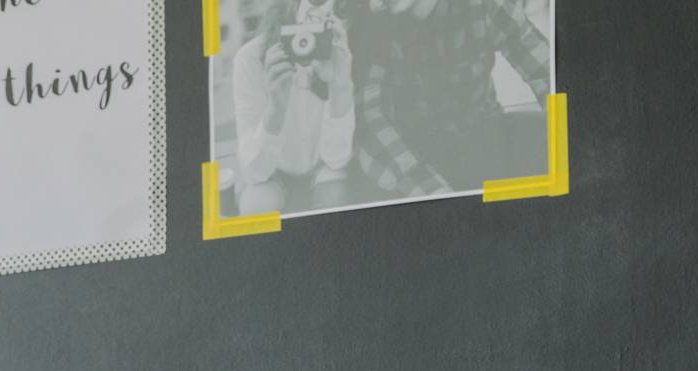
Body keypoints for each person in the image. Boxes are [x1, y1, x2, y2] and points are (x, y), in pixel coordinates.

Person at [348, 0, 552, 200]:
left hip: (484, 134)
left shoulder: (484, 4)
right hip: (413, 154)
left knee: (557, 138)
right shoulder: (372, 22)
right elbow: (369, 121)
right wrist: (434, 193)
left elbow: (545, 70)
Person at [231, 0, 357, 214]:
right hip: (270, 175)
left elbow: (337, 158)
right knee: (256, 205)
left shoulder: (342, 51)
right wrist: (276, 108)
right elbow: (253, 172)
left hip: (323, 167)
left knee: (336, 197)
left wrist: (340, 85)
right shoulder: (249, 58)